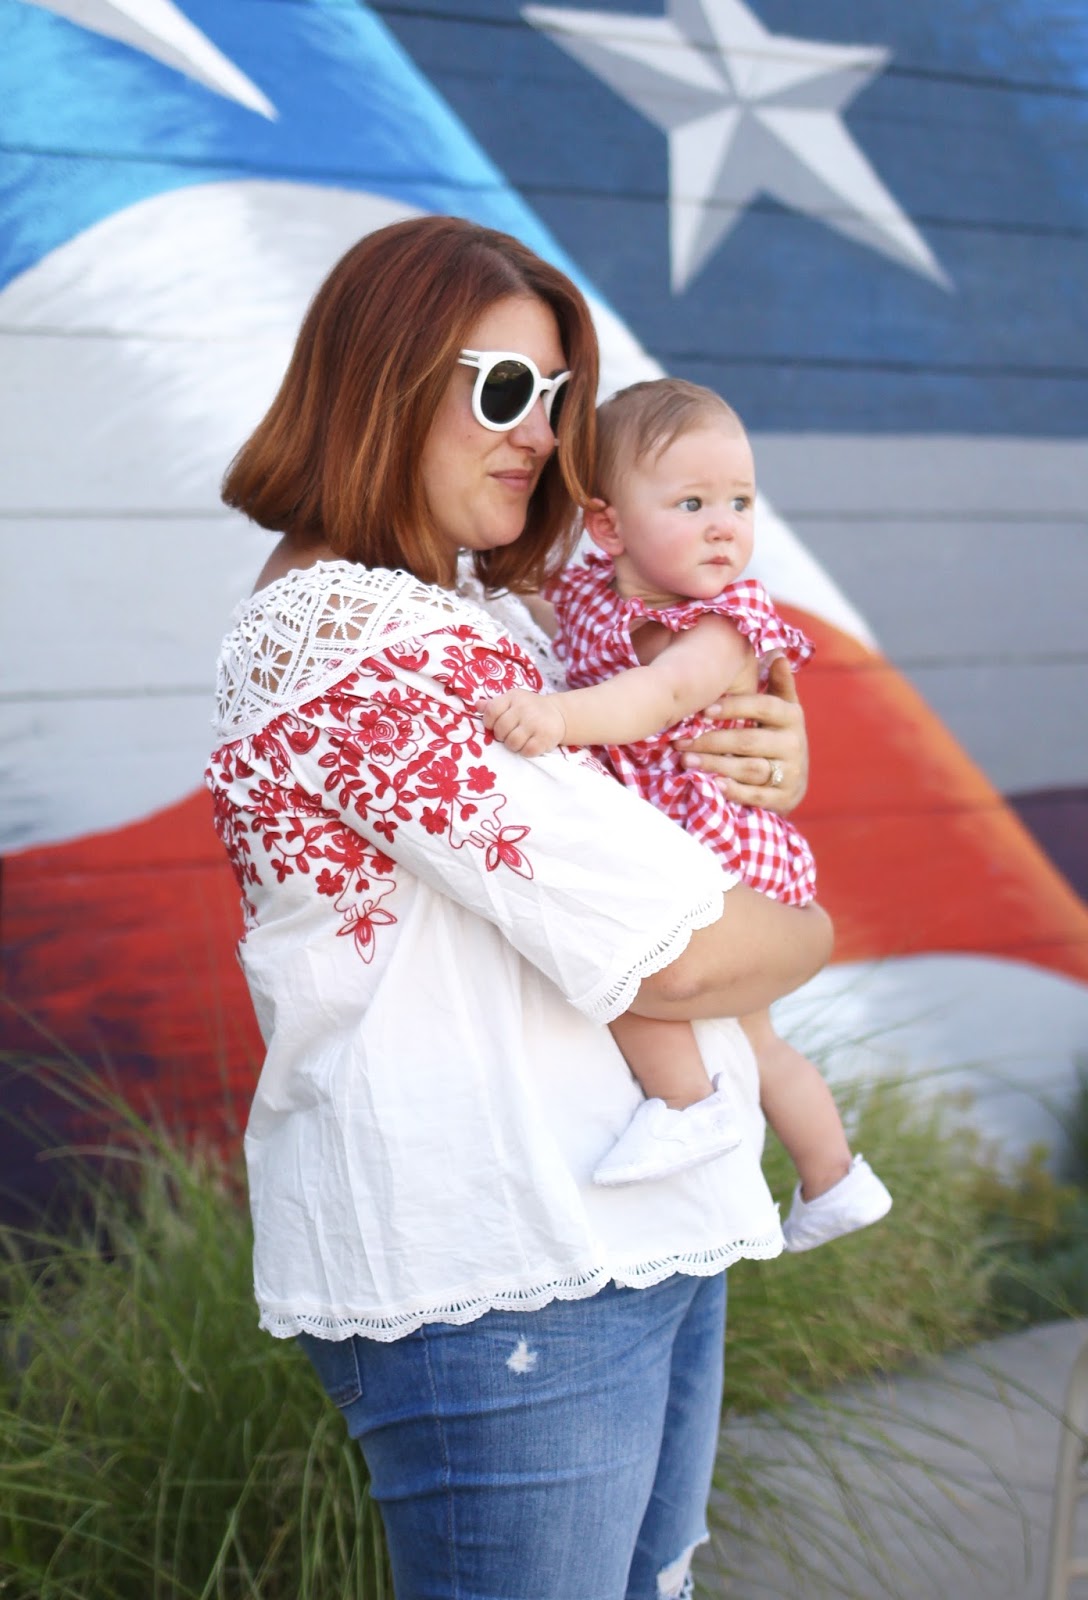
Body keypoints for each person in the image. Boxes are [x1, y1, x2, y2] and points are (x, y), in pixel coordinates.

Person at [206, 216, 831, 1600]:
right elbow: (676, 956)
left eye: (555, 397)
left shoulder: (484, 619)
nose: (543, 435)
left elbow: (669, 798)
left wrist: (770, 766)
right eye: (502, 391)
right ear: (380, 381)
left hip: (621, 1237)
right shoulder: (352, 645)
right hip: (508, 1269)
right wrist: (811, 931)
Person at [483, 378, 891, 1252]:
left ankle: (686, 1105)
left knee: (625, 962)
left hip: (716, 838)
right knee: (759, 1039)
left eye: (740, 501)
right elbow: (544, 612)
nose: (724, 526)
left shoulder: (722, 625)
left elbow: (657, 696)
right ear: (609, 528)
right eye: (693, 503)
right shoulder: (594, 591)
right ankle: (834, 1179)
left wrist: (555, 717)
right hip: (681, 834)